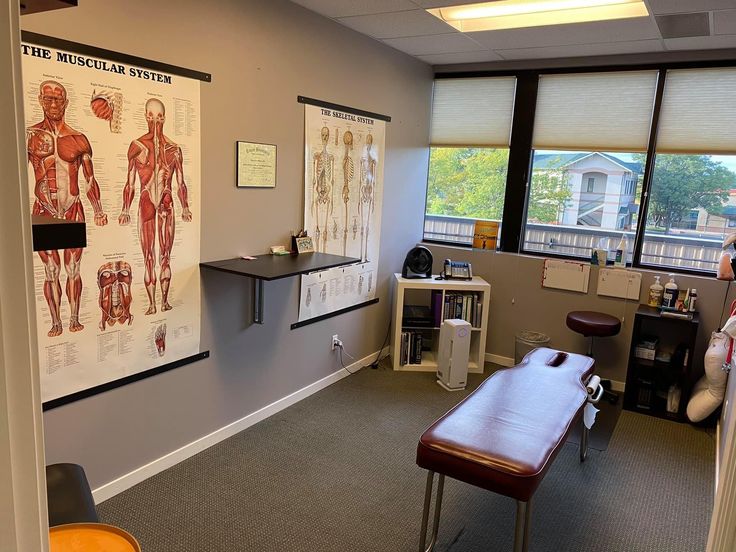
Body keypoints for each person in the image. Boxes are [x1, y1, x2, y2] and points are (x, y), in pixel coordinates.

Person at [27, 80, 107, 336]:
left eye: (58, 99)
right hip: (44, 210)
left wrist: (98, 209)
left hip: (73, 210)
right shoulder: (30, 136)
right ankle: (55, 322)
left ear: (66, 103)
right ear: (40, 100)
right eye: (48, 98)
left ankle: (73, 319)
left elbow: (90, 179)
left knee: (73, 269)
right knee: (51, 271)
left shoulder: (78, 139)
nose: (53, 104)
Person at [119, 98, 192, 314]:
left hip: (167, 203)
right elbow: (130, 180)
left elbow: (180, 181)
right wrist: (125, 208)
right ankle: (152, 304)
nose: (155, 121)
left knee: (165, 256)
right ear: (145, 116)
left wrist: (185, 206)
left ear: (164, 118)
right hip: (146, 202)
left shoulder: (174, 149)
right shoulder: (137, 146)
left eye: (159, 117)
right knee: (149, 257)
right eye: (151, 116)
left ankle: (165, 302)